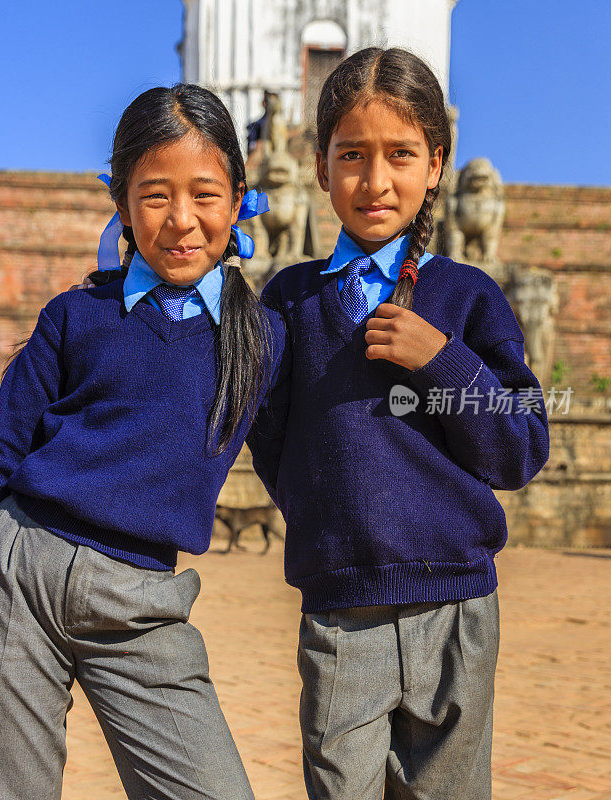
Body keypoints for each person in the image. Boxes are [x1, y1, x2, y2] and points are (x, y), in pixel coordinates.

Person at [0, 83, 285, 800]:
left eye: (204, 194)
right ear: (121, 205)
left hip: (141, 601)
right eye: (153, 196)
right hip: (17, 571)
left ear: (237, 199)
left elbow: (306, 447)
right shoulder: (74, 317)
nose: (180, 221)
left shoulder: (262, 339)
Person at [246, 47, 550, 800]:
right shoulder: (287, 302)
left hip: (458, 610)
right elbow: (270, 438)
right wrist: (329, 519)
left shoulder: (467, 300)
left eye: (400, 155)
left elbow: (521, 446)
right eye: (352, 155)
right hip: (342, 614)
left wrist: (443, 360)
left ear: (436, 164)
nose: (375, 181)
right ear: (319, 167)